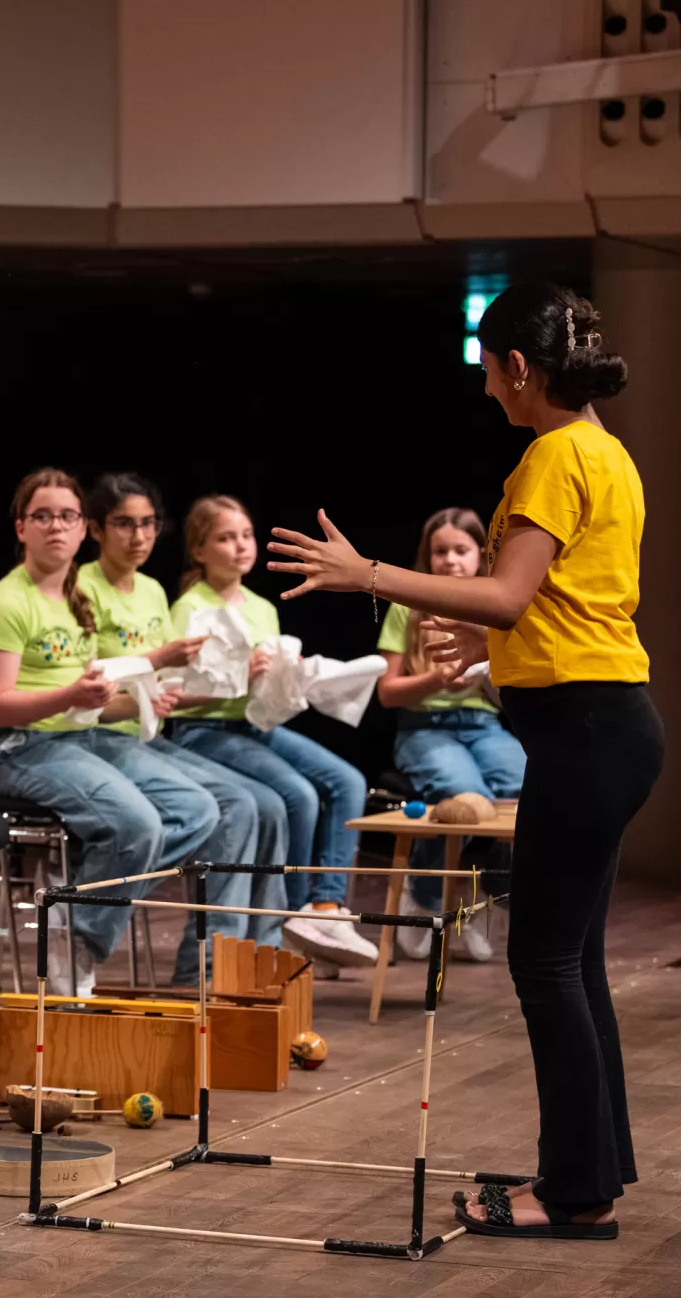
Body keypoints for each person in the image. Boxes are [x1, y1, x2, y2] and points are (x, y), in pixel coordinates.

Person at [270, 280, 658, 1240]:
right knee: (575, 962)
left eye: (491, 374)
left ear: (520, 368)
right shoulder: (606, 452)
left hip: (584, 731)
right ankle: (592, 1171)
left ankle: (571, 1195)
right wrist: (495, 656)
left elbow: (513, 592)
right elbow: (573, 603)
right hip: (605, 721)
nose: (489, 392)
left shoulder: (551, 456)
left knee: (548, 961)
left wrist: (368, 576)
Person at [0, 469, 220, 996]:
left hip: (77, 734)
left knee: (200, 810)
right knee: (139, 827)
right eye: (42, 516)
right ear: (21, 529)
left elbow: (90, 704)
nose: (55, 527)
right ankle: (76, 934)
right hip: (17, 743)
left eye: (66, 516)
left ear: (83, 530)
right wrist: (71, 698)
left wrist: (133, 700)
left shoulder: (76, 597)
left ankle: (77, 901)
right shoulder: (5, 604)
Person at [79, 472, 289, 981]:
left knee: (252, 803)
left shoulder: (151, 590)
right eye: (125, 525)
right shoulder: (82, 587)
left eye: (148, 524)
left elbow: (168, 679)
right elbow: (85, 687)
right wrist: (161, 668)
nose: (139, 536)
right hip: (98, 734)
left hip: (145, 733)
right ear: (97, 530)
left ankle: (233, 960)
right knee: (223, 807)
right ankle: (204, 965)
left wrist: (175, 684)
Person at [164, 496, 378, 969]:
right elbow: (177, 690)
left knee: (347, 781)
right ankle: (294, 910)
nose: (240, 546)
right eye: (225, 537)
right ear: (199, 550)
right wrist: (242, 673)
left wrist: (288, 676)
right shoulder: (190, 608)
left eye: (245, 535)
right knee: (298, 796)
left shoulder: (261, 606)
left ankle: (324, 906)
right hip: (207, 729)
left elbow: (263, 698)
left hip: (254, 725)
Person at [373, 507, 524, 961]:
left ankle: (488, 896)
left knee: (526, 787)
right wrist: (437, 680)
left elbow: (514, 684)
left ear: (481, 553)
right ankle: (423, 890)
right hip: (426, 726)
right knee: (464, 796)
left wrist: (482, 676)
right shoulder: (407, 606)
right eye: (440, 552)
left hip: (483, 724)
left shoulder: (492, 605)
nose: (451, 561)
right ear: (427, 557)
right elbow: (387, 692)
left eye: (461, 550)